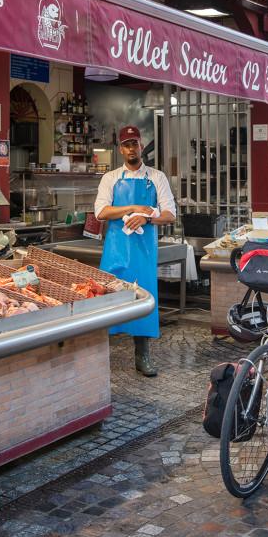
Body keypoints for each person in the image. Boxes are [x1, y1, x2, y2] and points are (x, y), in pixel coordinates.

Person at [94, 125, 176, 377]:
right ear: (120, 149)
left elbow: (170, 214)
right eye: (126, 144)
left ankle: (142, 355)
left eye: (135, 143)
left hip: (143, 251)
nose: (131, 148)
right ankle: (97, 359)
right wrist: (134, 207)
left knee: (143, 299)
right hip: (116, 249)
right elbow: (101, 212)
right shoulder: (110, 178)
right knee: (106, 299)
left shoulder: (157, 177)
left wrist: (147, 218)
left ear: (141, 146)